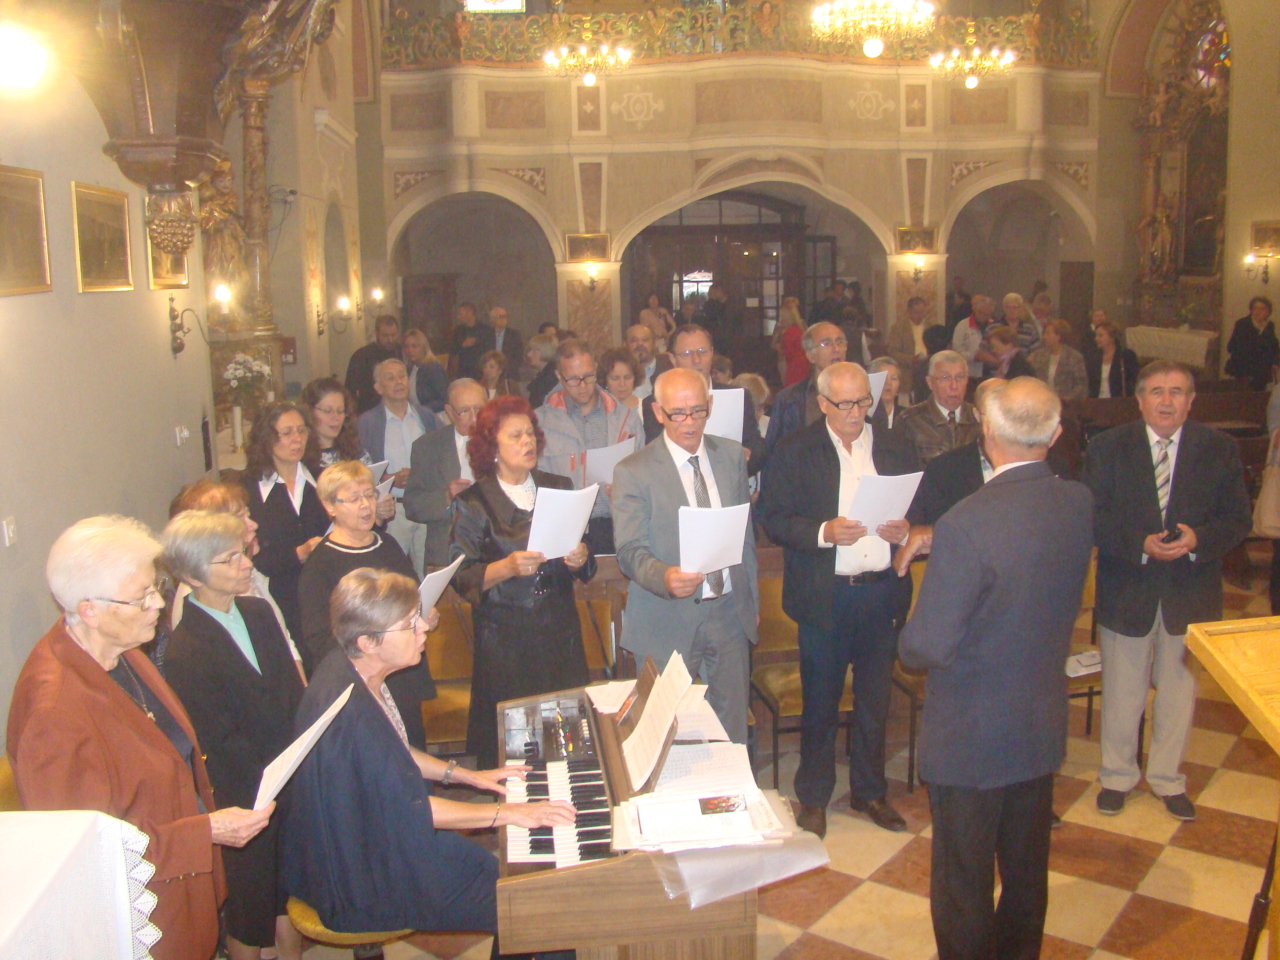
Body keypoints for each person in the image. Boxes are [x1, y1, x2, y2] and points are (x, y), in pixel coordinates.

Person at [7, 516, 273, 960]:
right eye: (141, 596)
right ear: (89, 610)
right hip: (143, 920)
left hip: (183, 892)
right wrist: (206, 831)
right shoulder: (52, 714)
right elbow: (90, 857)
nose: (158, 604)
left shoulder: (123, 650)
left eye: (156, 589)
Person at [897, 378, 1094, 960]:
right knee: (1026, 872)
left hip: (972, 735)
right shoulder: (1077, 502)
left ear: (985, 432)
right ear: (1055, 435)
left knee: (964, 881)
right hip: (1038, 721)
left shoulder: (967, 522)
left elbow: (924, 648)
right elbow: (1023, 566)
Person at [282, 568, 575, 937]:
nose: (424, 628)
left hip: (386, 844)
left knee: (508, 883)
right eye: (410, 624)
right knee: (535, 906)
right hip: (366, 882)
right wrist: (511, 813)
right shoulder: (350, 715)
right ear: (369, 641)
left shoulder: (353, 671)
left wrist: (468, 776)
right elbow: (412, 810)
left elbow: (395, 751)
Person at [757, 362, 919, 839]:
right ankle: (814, 796)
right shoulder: (795, 449)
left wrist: (907, 528)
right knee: (821, 702)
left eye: (863, 401)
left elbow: (921, 505)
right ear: (823, 403)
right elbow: (773, 517)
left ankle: (870, 791)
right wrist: (823, 531)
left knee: (874, 701)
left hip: (882, 590)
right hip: (826, 596)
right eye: (844, 403)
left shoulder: (895, 444)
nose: (855, 412)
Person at [1084, 360, 1252, 822]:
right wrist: (1139, 543)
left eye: (1177, 392)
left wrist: (1198, 539)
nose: (1166, 400)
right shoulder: (1108, 447)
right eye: (1156, 391)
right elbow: (1093, 515)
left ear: (1191, 401)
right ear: (1139, 400)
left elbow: (1238, 519)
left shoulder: (1218, 449)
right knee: (1122, 691)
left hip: (1191, 590)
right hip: (1127, 585)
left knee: (1178, 694)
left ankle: (1166, 778)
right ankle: (1117, 776)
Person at [162, 510, 305, 960]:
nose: (246, 564)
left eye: (243, 552)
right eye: (230, 559)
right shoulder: (186, 647)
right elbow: (217, 740)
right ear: (191, 575)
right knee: (250, 908)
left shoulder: (257, 612)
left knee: (288, 896)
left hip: (288, 775)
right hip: (241, 794)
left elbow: (290, 691)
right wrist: (269, 784)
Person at [613, 368, 758, 743]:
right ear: (657, 412)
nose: (689, 422)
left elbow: (744, 536)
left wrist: (751, 601)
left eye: (698, 410)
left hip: (728, 613)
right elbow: (629, 550)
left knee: (731, 734)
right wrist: (664, 576)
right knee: (663, 737)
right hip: (665, 618)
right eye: (678, 413)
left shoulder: (730, 456)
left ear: (710, 405)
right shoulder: (633, 471)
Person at [450, 395, 596, 767]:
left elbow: (584, 557)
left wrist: (581, 558)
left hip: (559, 634)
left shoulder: (558, 485)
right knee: (516, 753)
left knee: (567, 748)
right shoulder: (474, 502)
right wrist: (507, 567)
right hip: (506, 642)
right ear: (491, 446)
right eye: (515, 436)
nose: (527, 441)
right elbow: (461, 576)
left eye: (530, 433)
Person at [297, 460, 435, 747]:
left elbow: (411, 596)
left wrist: (423, 616)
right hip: (361, 683)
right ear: (330, 506)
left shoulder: (388, 545)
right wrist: (373, 653)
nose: (366, 505)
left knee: (411, 750)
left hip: (401, 675)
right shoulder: (321, 563)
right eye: (353, 499)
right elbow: (318, 637)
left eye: (370, 495)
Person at [168, 478, 306, 684]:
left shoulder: (250, 572)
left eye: (248, 514)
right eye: (240, 518)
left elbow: (284, 642)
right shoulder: (200, 598)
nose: (254, 524)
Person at [536, 341, 643, 556]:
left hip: (615, 525)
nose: (583, 385)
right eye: (573, 379)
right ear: (559, 376)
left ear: (595, 368)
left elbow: (643, 475)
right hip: (564, 528)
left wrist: (625, 490)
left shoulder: (626, 419)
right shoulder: (540, 423)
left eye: (588, 376)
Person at [243, 401, 330, 643]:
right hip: (278, 599)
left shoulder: (322, 479)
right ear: (266, 438)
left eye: (302, 430)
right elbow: (252, 556)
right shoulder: (249, 490)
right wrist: (299, 554)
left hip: (324, 593)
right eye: (287, 432)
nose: (297, 439)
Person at [642, 325, 767, 476]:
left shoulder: (739, 397)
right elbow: (657, 456)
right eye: (687, 354)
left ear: (712, 353)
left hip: (729, 481)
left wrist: (744, 458)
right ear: (673, 359)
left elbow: (756, 449)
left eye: (702, 351)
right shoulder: (657, 403)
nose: (696, 360)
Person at [358, 357, 438, 575]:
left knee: (427, 572)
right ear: (378, 387)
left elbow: (442, 456)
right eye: (390, 378)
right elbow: (359, 470)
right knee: (392, 574)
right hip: (392, 511)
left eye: (402, 376)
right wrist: (389, 479)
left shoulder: (426, 417)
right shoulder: (367, 423)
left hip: (424, 506)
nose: (398, 382)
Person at [404, 378, 486, 570]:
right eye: (465, 411)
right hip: (446, 556)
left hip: (495, 554)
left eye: (479, 409)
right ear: (449, 412)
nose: (474, 418)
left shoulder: (506, 442)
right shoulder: (427, 447)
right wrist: (447, 497)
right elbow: (412, 506)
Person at [765, 322, 848, 451]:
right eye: (827, 343)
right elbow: (774, 451)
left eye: (840, 342)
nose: (836, 349)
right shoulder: (788, 399)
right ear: (811, 356)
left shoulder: (861, 393)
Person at [900, 350, 982, 463]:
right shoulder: (910, 421)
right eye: (945, 378)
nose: (954, 386)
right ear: (930, 382)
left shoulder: (978, 418)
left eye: (960, 377)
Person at [345, 314, 401, 414]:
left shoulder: (402, 352)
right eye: (385, 336)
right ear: (376, 333)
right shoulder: (362, 356)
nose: (390, 340)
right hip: (369, 409)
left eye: (393, 335)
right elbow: (350, 390)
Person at [887, 296, 937, 401]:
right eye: (916, 313)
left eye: (922, 313)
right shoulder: (899, 328)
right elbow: (893, 352)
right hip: (907, 374)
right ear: (909, 312)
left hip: (927, 371)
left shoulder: (930, 326)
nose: (919, 316)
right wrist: (912, 359)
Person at [1225, 296, 1279, 390]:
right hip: (1244, 370)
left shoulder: (1269, 326)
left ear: (1268, 311)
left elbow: (1274, 347)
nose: (1258, 311)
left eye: (1262, 308)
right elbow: (1231, 347)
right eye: (1255, 308)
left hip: (1262, 371)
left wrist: (1275, 362)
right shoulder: (1242, 324)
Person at [1029, 318, 1088, 400]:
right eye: (1044, 333)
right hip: (1042, 400)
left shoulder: (1074, 357)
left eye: (1048, 334)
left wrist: (1068, 398)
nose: (1044, 337)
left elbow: (1081, 385)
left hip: (1066, 403)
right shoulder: (1039, 356)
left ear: (1059, 336)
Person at [1086, 320, 1140, 398]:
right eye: (1096, 335)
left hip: (1119, 400)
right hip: (1096, 401)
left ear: (1112, 337)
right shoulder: (1093, 357)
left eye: (1100, 336)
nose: (1096, 339)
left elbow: (1134, 381)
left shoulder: (1125, 355)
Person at [951, 295, 999, 381]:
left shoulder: (995, 326)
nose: (984, 316)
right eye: (982, 313)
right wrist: (975, 356)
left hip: (992, 373)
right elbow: (957, 351)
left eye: (987, 314)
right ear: (976, 310)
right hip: (971, 373)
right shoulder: (963, 326)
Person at [403, 328, 449, 414]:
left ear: (423, 347)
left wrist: (421, 410)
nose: (410, 350)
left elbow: (444, 399)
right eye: (407, 346)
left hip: (434, 415)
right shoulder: (409, 369)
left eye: (414, 346)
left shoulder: (433, 369)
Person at [626, 323, 673, 400]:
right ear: (625, 345)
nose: (640, 344)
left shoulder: (669, 371)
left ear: (655, 343)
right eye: (634, 340)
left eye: (645, 340)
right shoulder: (618, 374)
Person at [451, 302, 494, 380]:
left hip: (481, 372)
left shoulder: (485, 330)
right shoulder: (458, 331)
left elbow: (490, 351)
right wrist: (463, 345)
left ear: (469, 313)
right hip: (463, 372)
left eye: (460, 314)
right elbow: (452, 351)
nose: (458, 317)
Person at [772, 297, 809, 387]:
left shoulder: (790, 331)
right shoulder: (799, 328)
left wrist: (781, 348)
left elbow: (788, 352)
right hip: (804, 362)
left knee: (790, 386)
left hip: (792, 363)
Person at [867, 357, 906, 438]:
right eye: (883, 378)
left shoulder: (906, 416)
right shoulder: (863, 416)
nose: (888, 383)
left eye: (893, 378)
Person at [599, 346, 644, 411]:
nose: (622, 384)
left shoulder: (648, 408)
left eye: (627, 377)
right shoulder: (597, 412)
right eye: (615, 378)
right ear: (605, 380)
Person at [524, 332, 561, 409]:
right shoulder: (543, 375)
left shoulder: (550, 378)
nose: (529, 354)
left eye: (534, 351)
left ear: (546, 351)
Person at [489, 306, 525, 375]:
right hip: (490, 372)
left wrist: (506, 370)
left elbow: (518, 357)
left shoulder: (514, 335)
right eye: (499, 316)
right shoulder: (486, 335)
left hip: (509, 372)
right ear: (492, 319)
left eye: (505, 316)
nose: (503, 319)